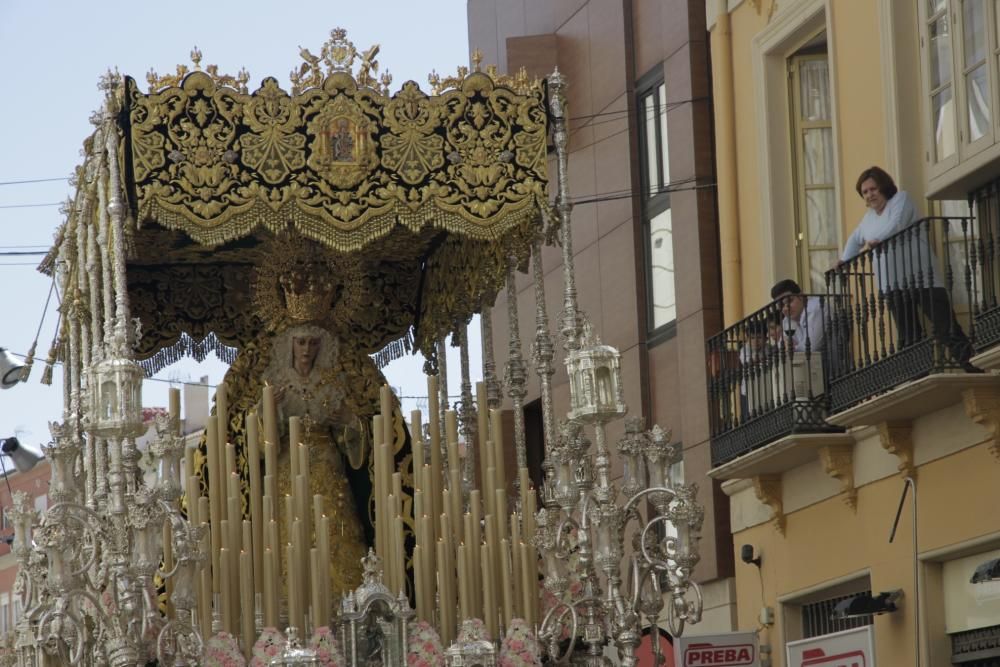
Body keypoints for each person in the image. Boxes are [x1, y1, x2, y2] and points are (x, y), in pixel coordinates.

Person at [840, 166, 974, 368]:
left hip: (922, 277)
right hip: (892, 286)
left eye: (873, 189)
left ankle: (973, 366)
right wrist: (843, 260)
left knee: (945, 326)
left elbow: (897, 224)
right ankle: (919, 375)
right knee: (909, 335)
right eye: (865, 192)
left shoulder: (901, 199)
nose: (869, 195)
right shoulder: (868, 219)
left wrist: (878, 240)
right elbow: (855, 239)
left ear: (884, 187)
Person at [770, 279, 824, 353]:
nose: (786, 308)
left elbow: (811, 346)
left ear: (801, 295)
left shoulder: (817, 308)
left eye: (790, 301)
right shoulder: (787, 320)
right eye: (781, 305)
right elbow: (781, 345)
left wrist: (792, 347)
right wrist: (788, 345)